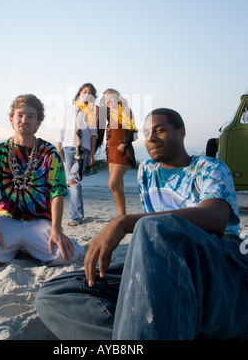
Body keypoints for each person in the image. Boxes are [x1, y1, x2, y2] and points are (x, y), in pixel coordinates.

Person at [36, 108, 248, 340]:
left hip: (219, 268)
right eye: (147, 133)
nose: (152, 138)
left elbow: (215, 220)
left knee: (151, 228)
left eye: (160, 130)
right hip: (168, 271)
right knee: (55, 293)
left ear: (181, 133)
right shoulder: (147, 172)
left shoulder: (209, 167)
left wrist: (125, 221)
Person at [0, 94, 83, 267]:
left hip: (40, 221)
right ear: (11, 119)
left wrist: (56, 229)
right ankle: (19, 246)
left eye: (31, 116)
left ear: (38, 122)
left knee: (64, 257)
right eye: (20, 115)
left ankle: (25, 246)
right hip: (7, 218)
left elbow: (57, 193)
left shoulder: (49, 153)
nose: (24, 120)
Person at [57, 83, 98, 226]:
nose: (86, 94)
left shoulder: (91, 111)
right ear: (79, 93)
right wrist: (59, 145)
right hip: (67, 148)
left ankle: (75, 217)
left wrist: (92, 153)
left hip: (83, 149)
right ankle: (79, 213)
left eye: (90, 93)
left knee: (73, 180)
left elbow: (93, 134)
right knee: (71, 183)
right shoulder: (68, 109)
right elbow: (62, 128)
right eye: (84, 91)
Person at [99, 89, 137, 216]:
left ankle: (122, 216)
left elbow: (134, 134)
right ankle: (122, 215)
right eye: (106, 99)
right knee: (118, 186)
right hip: (110, 152)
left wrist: (121, 147)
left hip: (121, 152)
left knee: (113, 184)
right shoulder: (108, 114)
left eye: (111, 97)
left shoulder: (126, 112)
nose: (108, 101)